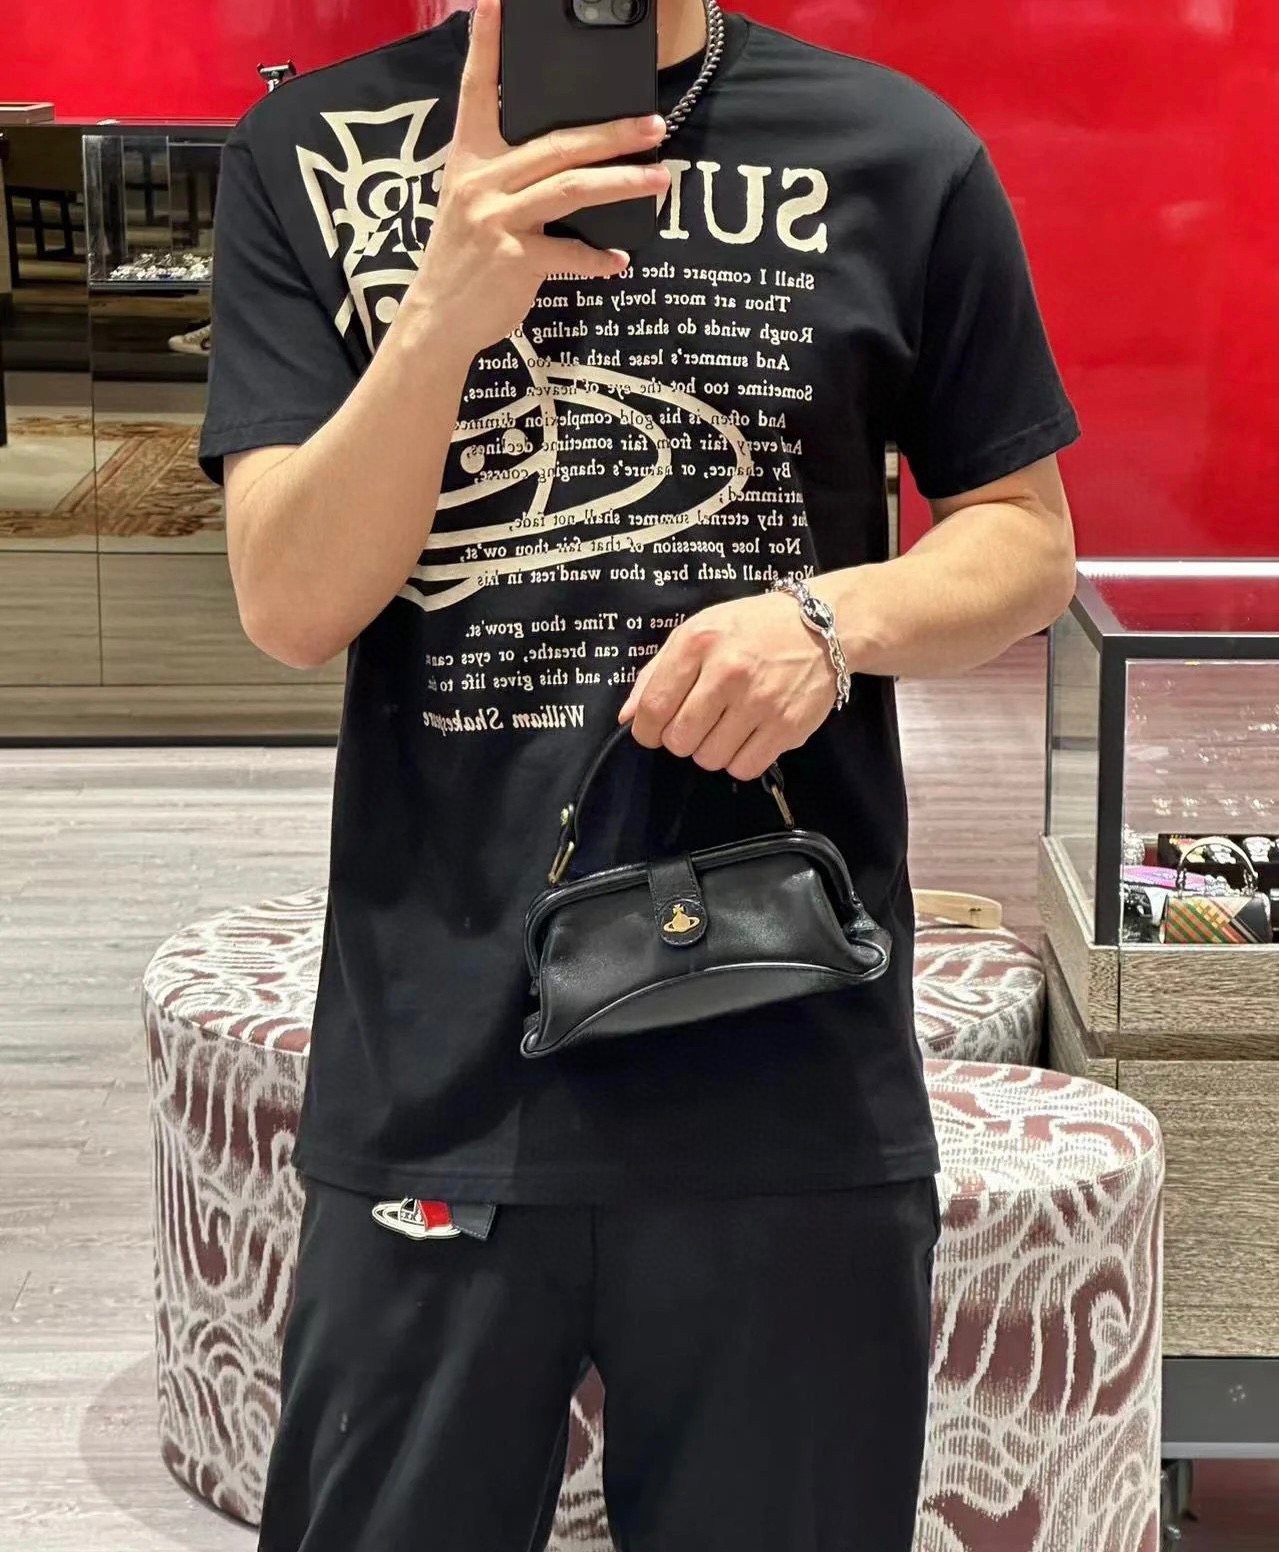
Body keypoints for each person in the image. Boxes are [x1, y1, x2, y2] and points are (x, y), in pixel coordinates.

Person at [198, 0, 1079, 1546]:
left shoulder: (895, 150)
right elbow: (291, 601)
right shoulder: (310, 152)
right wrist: (440, 315)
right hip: (441, 1067)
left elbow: (1024, 537)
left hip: (787, 1068)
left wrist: (834, 620)